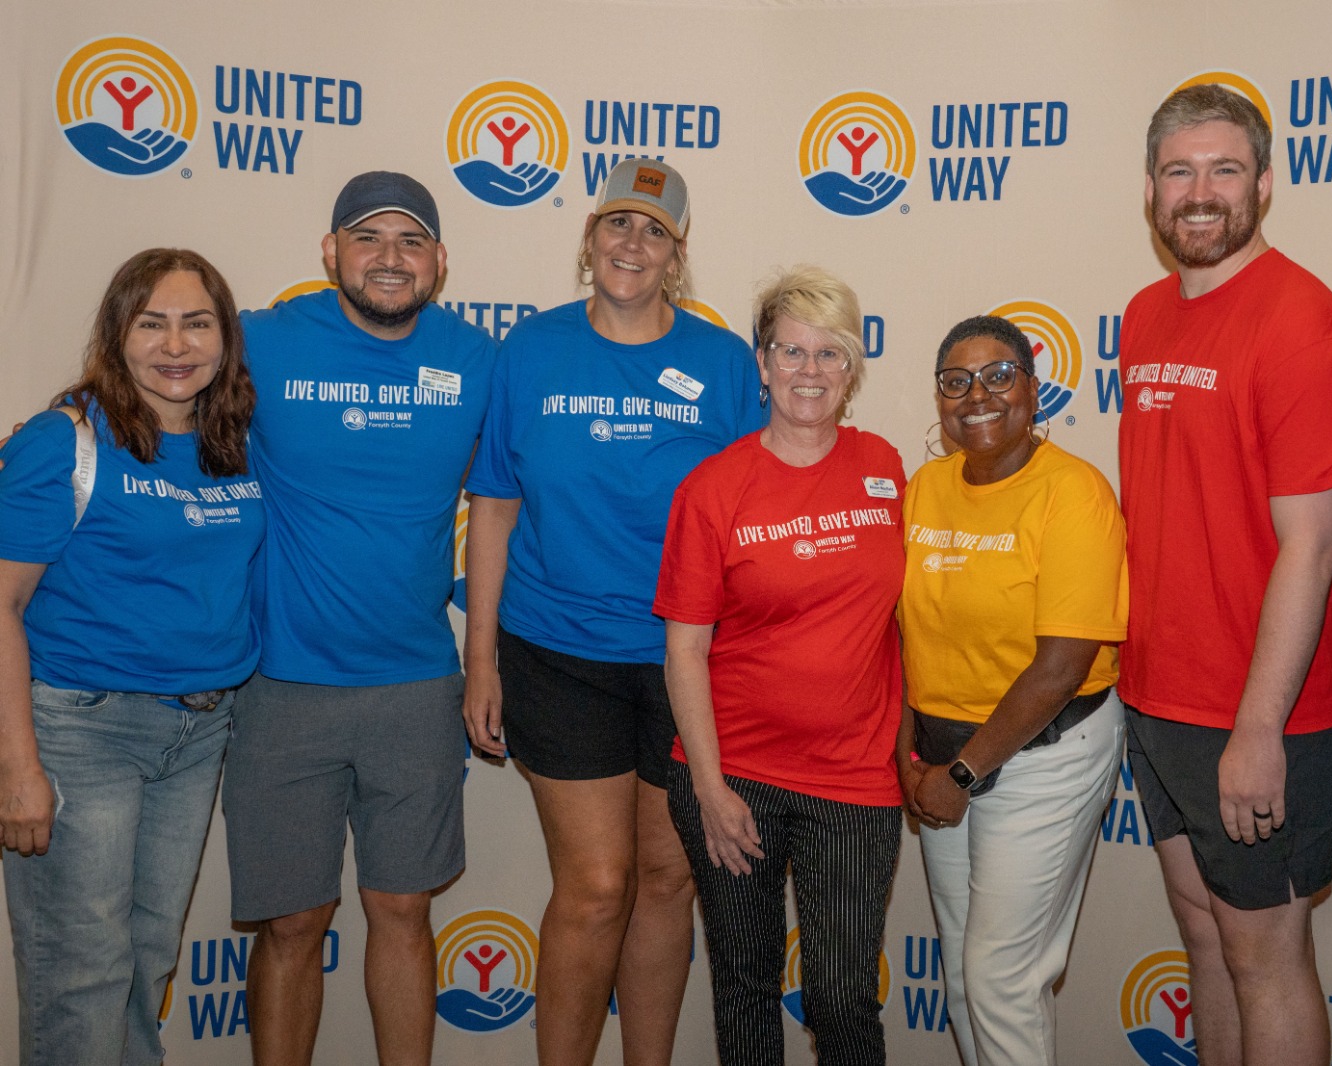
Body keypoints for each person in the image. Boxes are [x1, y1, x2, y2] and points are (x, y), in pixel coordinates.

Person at [463, 157, 764, 1066]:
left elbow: (753, 513)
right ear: (590, 238)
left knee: (669, 881)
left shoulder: (720, 362)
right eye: (618, 225)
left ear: (677, 255)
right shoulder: (530, 350)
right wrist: (480, 658)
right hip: (557, 654)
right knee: (596, 887)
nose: (633, 244)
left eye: (655, 232)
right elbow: (495, 506)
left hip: (688, 664)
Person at [1116, 84, 1332, 1066]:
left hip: (1261, 713)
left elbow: (1310, 548)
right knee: (1206, 939)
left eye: (1224, 169)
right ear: (1149, 189)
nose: (1199, 191)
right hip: (1159, 698)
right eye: (1179, 171)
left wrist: (1259, 727)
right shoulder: (1145, 314)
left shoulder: (1301, 321)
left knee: (1265, 954)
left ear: (1264, 183)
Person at [220, 172, 497, 1066]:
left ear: (441, 262)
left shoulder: (480, 359)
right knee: (295, 923)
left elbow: (518, 495)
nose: (389, 258)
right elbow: (151, 383)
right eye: (368, 238)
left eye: (411, 241)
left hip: (417, 684)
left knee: (402, 910)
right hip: (281, 686)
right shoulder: (256, 341)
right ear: (330, 253)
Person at [0, 248, 262, 1066]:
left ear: (225, 339)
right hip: (84, 733)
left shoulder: (238, 443)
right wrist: (18, 768)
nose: (175, 345)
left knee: (147, 961)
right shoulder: (64, 442)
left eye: (197, 323)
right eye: (152, 324)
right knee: (83, 975)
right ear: (118, 335)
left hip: (198, 737)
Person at [656, 267, 905, 1066]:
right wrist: (708, 785)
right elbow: (685, 650)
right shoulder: (712, 488)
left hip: (857, 781)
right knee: (746, 989)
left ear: (853, 368)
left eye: (829, 353)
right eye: (791, 351)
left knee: (841, 999)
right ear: (760, 364)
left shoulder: (886, 469)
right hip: (736, 780)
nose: (809, 371)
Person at [897, 314, 1127, 1066]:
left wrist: (965, 772)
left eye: (999, 376)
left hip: (1038, 755)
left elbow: (1061, 665)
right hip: (941, 757)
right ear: (940, 399)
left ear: (1033, 389)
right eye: (956, 382)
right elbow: (907, 630)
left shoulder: (1074, 493)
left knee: (1000, 978)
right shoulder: (924, 487)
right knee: (966, 975)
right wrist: (910, 746)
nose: (978, 396)